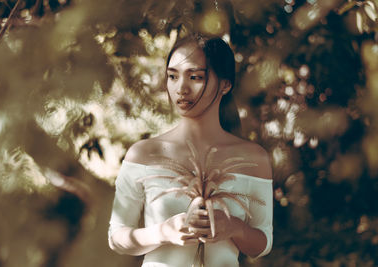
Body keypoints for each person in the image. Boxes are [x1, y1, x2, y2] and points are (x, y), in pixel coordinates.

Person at [108, 35, 273, 267]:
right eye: (173, 76)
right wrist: (163, 232)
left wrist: (233, 227)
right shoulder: (144, 154)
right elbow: (116, 236)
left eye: (195, 77)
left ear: (225, 84)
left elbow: (262, 244)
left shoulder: (254, 158)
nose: (181, 88)